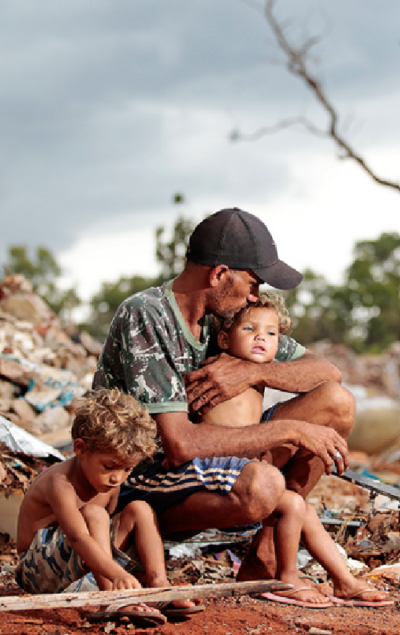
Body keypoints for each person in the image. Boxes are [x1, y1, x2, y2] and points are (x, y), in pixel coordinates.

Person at [92, 207, 355, 589]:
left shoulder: (229, 315)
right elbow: (179, 445)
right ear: (218, 274)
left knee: (336, 401)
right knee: (263, 486)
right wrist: (291, 432)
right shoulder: (147, 315)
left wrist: (256, 371)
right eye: (252, 283)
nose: (255, 295)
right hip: (145, 480)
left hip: (212, 466)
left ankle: (265, 553)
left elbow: (327, 372)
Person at [197, 293, 391, 608]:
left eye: (271, 334)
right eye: (250, 330)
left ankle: (343, 581)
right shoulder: (221, 365)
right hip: (222, 471)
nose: (261, 337)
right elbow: (216, 438)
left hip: (249, 461)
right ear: (223, 338)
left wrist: (260, 374)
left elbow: (329, 372)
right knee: (294, 506)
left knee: (303, 509)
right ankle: (285, 575)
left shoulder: (255, 359)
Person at [15, 389, 202, 626]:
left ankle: (158, 587)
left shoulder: (109, 483)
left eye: (126, 469)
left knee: (140, 509)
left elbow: (103, 539)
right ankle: (110, 598)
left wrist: (128, 574)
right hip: (37, 571)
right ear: (80, 449)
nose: (117, 478)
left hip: (78, 566)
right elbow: (80, 537)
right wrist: (118, 575)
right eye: (109, 466)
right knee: (96, 514)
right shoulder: (59, 483)